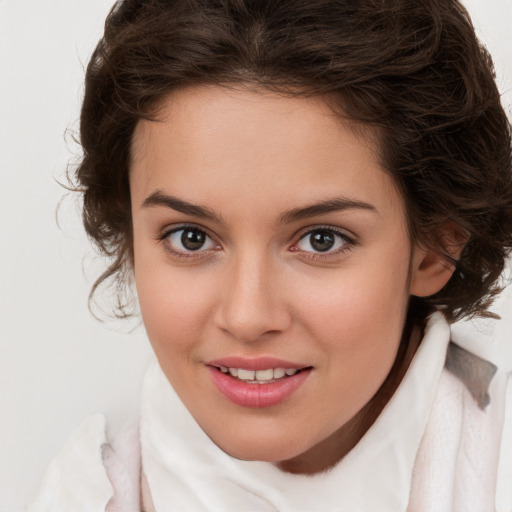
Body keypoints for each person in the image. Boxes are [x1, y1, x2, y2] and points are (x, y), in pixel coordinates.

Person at [28, 0, 512, 510]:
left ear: (435, 250)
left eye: (321, 240)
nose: (248, 317)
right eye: (190, 237)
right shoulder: (86, 491)